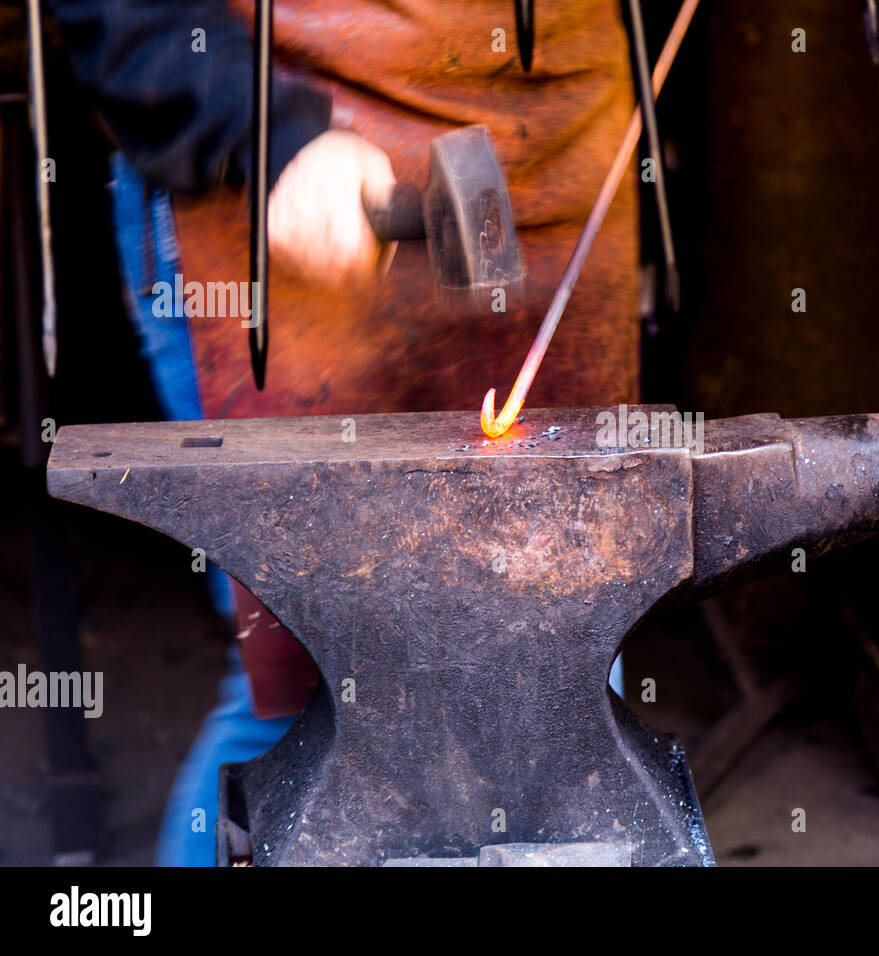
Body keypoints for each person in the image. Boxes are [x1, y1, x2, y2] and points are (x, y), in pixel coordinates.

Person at [50, 0, 641, 865]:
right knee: (312, 697)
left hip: (556, 161)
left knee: (569, 670)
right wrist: (260, 130)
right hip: (280, 194)